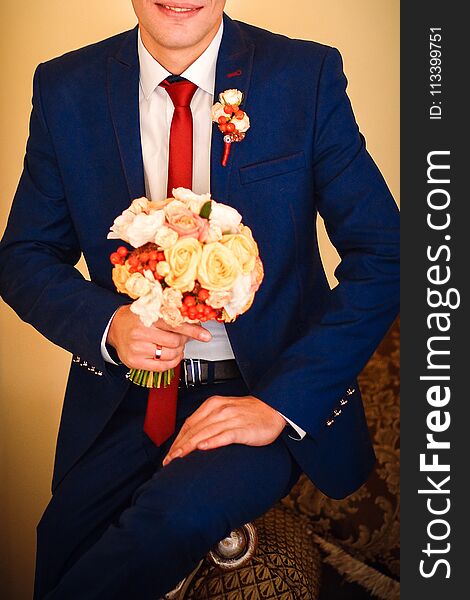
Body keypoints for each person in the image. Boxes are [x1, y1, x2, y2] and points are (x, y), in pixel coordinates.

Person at [0, 1, 400, 598]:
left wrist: (276, 405)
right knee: (60, 545)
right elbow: (24, 255)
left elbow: (388, 255)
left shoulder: (304, 75)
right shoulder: (65, 87)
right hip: (124, 399)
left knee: (165, 521)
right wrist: (109, 325)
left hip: (257, 391)